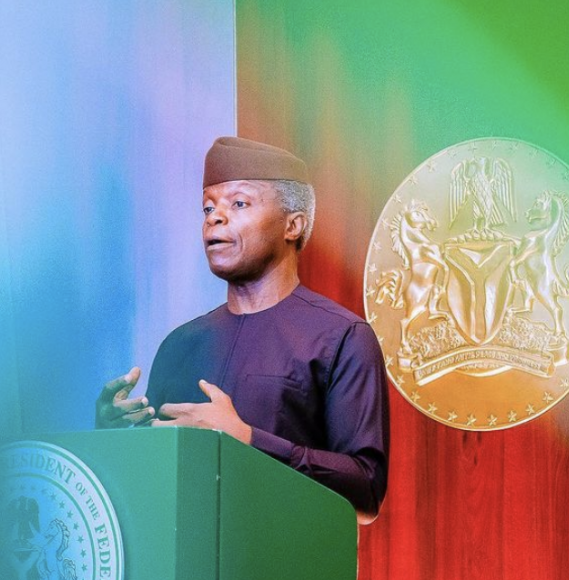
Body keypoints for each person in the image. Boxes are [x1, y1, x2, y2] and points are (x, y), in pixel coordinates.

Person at [94, 136, 389, 523]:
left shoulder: (343, 338)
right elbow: (150, 489)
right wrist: (114, 438)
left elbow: (366, 490)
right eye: (208, 207)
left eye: (239, 203)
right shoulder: (180, 345)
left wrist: (247, 439)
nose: (214, 218)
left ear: (293, 225)